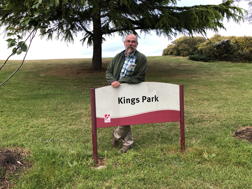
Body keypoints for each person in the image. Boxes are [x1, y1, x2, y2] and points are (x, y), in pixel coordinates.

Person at [106, 34, 147, 153]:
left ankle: (119, 137)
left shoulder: (141, 58)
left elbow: (140, 77)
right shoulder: (118, 56)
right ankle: (126, 141)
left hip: (131, 91)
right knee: (122, 115)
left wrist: (122, 81)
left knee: (127, 115)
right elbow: (108, 72)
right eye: (128, 41)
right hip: (116, 90)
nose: (131, 43)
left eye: (133, 42)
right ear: (124, 43)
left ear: (137, 44)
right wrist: (113, 81)